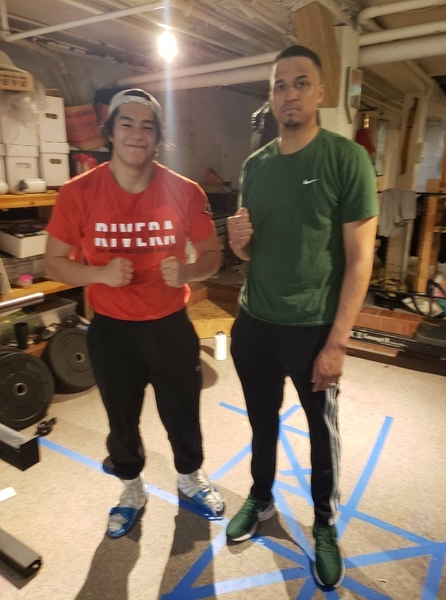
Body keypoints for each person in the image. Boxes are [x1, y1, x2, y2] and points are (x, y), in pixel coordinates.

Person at [226, 45, 378, 589]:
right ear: (271, 96)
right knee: (261, 421)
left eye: (300, 83)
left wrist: (338, 342)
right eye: (279, 85)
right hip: (255, 322)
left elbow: (360, 259)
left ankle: (324, 525)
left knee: (320, 432)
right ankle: (260, 496)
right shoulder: (254, 166)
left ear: (320, 92)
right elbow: (250, 251)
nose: (289, 94)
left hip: (313, 328)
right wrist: (238, 243)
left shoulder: (346, 159)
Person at [45, 88, 225, 539]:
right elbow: (54, 263)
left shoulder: (186, 191)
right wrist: (100, 274)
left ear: (159, 138)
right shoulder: (77, 193)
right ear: (109, 132)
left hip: (169, 327)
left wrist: (187, 270)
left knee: (182, 413)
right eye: (126, 123)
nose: (137, 133)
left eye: (148, 126)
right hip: (112, 331)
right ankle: (131, 487)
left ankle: (190, 476)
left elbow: (212, 256)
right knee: (120, 419)